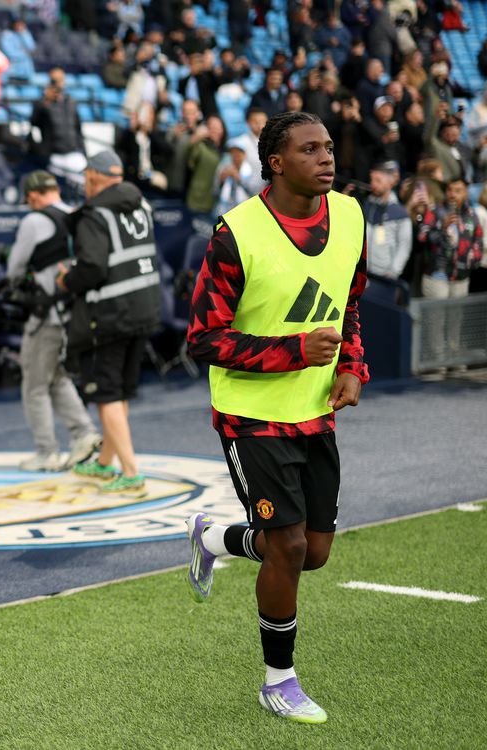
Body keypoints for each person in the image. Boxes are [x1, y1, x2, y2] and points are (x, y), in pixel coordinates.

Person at [184, 111, 369, 724]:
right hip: (251, 416)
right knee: (287, 546)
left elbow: (349, 302)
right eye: (309, 149)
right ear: (276, 162)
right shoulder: (235, 233)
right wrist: (294, 351)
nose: (326, 158)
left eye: (329, 147)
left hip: (315, 412)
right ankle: (278, 681)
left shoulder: (350, 216)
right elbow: (203, 339)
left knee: (313, 552)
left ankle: (213, 538)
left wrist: (352, 366)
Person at [57, 150, 160, 495]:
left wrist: (67, 281)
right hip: (144, 307)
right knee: (120, 392)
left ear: (92, 177)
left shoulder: (95, 214)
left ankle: (130, 474)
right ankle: (105, 463)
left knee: (107, 394)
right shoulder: (141, 205)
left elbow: (93, 267)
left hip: (110, 314)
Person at [9, 171, 102, 472]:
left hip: (46, 314)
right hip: (74, 313)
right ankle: (84, 434)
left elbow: (15, 269)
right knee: (57, 376)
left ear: (33, 196)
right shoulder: (76, 216)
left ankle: (46, 452)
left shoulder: (34, 220)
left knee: (34, 385)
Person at [415, 175, 483, 374]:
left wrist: (470, 262)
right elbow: (422, 237)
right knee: (436, 320)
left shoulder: (472, 215)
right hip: (437, 274)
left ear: (465, 193)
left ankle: (454, 358)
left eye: (458, 190)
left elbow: (478, 242)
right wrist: (441, 227)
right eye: (450, 190)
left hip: (460, 276)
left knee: (456, 320)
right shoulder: (435, 211)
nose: (453, 194)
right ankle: (437, 363)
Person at [363, 161, 412, 280]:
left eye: (378, 180)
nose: (373, 184)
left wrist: (393, 272)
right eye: (372, 180)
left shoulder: (400, 213)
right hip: (363, 273)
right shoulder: (366, 205)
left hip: (385, 277)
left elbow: (404, 246)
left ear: (390, 182)